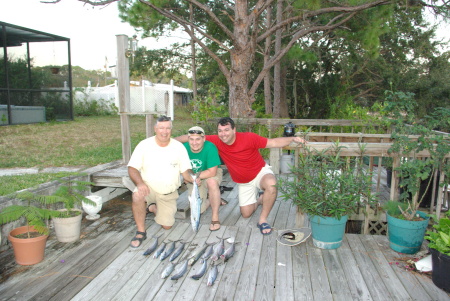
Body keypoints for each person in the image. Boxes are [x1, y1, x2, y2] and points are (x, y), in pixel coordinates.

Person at [177, 117, 306, 235]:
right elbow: (186, 138)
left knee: (271, 185)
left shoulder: (249, 138)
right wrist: (166, 142)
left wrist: (292, 138)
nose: (223, 134)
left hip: (260, 172)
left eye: (227, 130)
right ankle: (261, 199)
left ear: (234, 130)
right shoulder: (216, 140)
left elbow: (272, 142)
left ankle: (263, 220)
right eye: (220, 131)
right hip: (244, 182)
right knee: (246, 213)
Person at [127, 115, 193, 248]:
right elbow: (132, 168)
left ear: (171, 129)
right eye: (161, 127)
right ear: (155, 129)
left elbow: (185, 172)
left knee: (167, 226)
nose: (165, 131)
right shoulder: (144, 145)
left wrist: (194, 179)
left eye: (168, 128)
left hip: (167, 192)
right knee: (137, 195)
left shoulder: (179, 147)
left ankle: (152, 207)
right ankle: (141, 231)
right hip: (148, 187)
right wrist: (140, 183)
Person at [183, 126, 224, 231]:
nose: (194, 142)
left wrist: (196, 177)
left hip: (210, 172)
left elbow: (212, 171)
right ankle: (213, 199)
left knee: (212, 183)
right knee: (199, 210)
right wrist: (189, 179)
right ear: (188, 139)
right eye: (191, 139)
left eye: (198, 139)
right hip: (193, 177)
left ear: (204, 139)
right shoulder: (183, 148)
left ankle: (215, 217)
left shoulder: (210, 147)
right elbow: (183, 170)